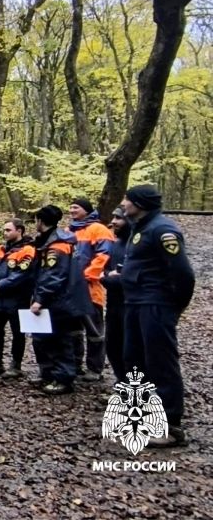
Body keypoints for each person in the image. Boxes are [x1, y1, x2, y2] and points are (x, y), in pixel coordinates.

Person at [116, 184, 195, 447]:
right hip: (135, 303)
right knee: (133, 360)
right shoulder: (139, 228)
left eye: (128, 199)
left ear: (140, 203)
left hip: (155, 305)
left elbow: (184, 274)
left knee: (160, 362)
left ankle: (170, 426)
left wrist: (175, 308)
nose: (123, 204)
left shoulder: (163, 230)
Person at [29, 205, 91, 395]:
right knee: (42, 338)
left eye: (36, 220)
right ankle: (47, 373)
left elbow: (54, 275)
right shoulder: (46, 241)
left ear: (41, 221)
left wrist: (39, 299)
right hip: (52, 298)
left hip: (60, 301)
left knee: (59, 339)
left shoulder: (58, 245)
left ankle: (63, 378)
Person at [67, 197, 115, 382]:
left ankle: (95, 368)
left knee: (94, 330)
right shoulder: (69, 231)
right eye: (70, 207)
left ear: (86, 210)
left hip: (90, 288)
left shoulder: (99, 229)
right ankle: (75, 363)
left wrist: (85, 276)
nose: (72, 211)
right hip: (71, 289)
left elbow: (104, 257)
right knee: (73, 329)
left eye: (76, 207)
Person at [0, 219, 34, 379]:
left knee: (18, 333)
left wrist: (0, 286)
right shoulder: (1, 249)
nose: (5, 233)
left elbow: (21, 274)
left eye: (8, 230)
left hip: (17, 298)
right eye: (4, 230)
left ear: (19, 230)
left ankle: (16, 364)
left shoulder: (28, 250)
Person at [101, 208, 129, 385]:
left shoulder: (138, 245)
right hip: (113, 304)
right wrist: (107, 277)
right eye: (113, 217)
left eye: (118, 218)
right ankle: (121, 380)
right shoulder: (115, 244)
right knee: (112, 346)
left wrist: (114, 278)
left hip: (132, 305)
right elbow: (105, 272)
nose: (113, 222)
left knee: (132, 349)